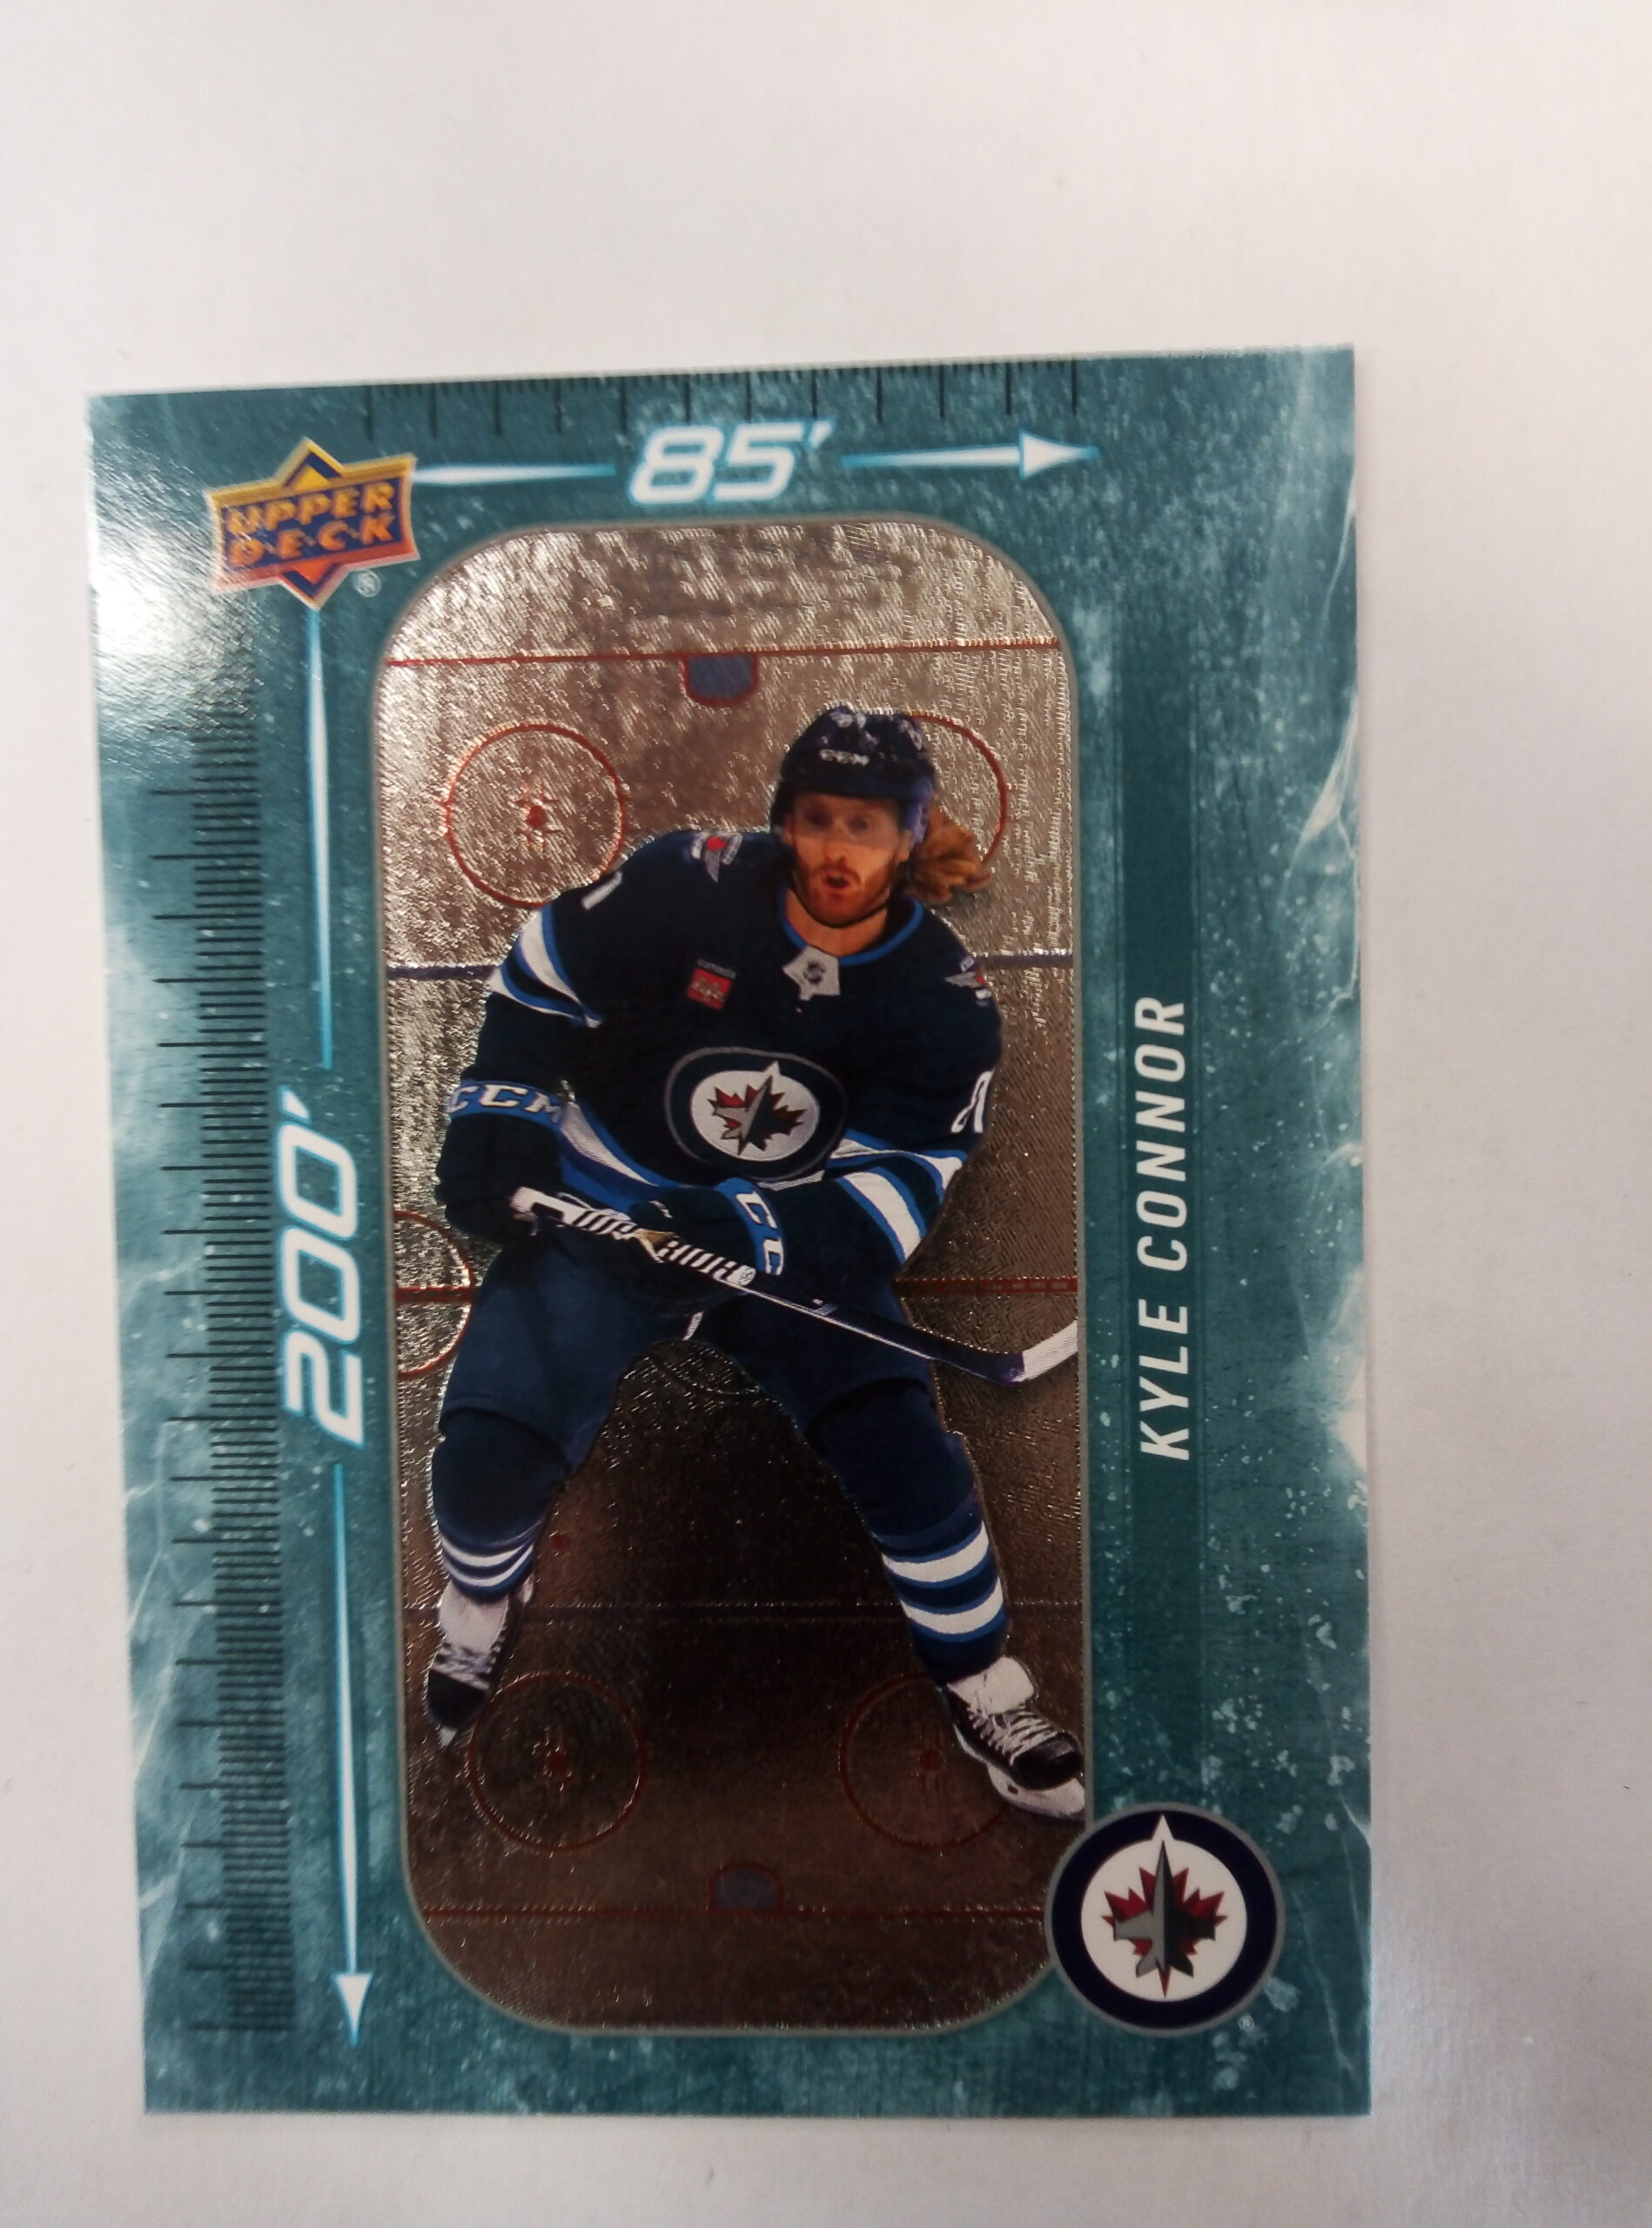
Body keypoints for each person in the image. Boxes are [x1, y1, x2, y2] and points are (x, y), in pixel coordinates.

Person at [425, 706, 1084, 1820]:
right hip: (609, 1199)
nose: (836, 849)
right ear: (784, 820)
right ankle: (481, 1603)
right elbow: (544, 969)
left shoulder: (942, 999)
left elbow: (901, 1180)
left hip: (784, 1242)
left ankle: (980, 1682)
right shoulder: (688, 883)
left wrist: (757, 1233)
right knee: (487, 1458)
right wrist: (502, 1111)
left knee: (906, 1459)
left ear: (908, 837)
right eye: (817, 818)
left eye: (864, 826)